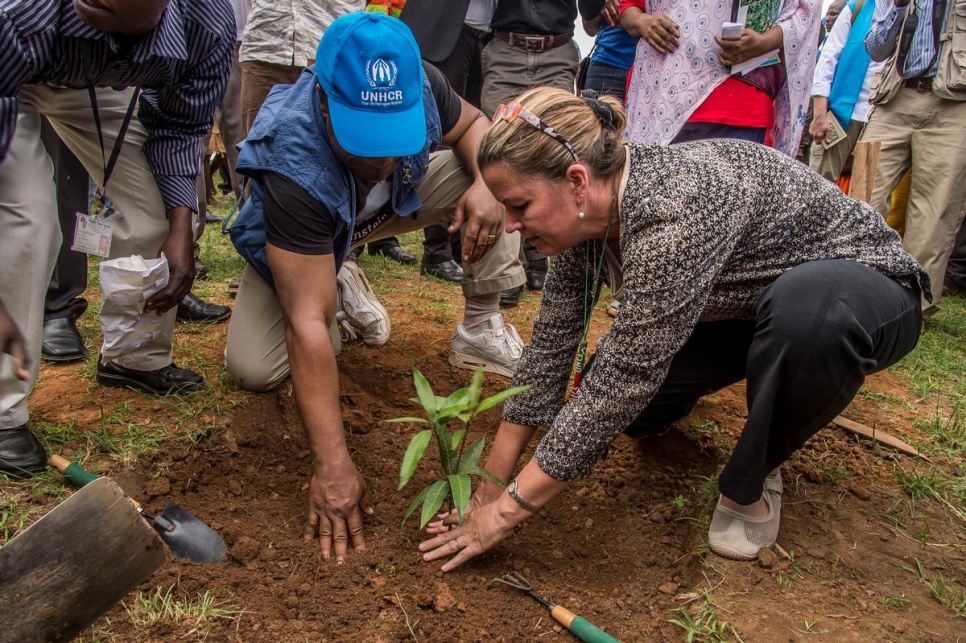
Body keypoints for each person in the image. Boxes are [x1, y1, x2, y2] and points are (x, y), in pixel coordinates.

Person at [418, 88, 926, 570]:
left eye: (519, 206)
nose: (509, 224)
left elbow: (625, 379)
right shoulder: (588, 213)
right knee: (633, 413)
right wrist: (487, 490)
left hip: (862, 291)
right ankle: (769, 366)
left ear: (576, 181)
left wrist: (503, 517)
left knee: (808, 315)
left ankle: (752, 480)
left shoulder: (673, 216)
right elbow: (551, 348)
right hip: (742, 312)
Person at [224, 12, 525, 563]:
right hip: (309, 230)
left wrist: (486, 184)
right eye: (363, 139)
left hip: (383, 210)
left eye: (392, 138)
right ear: (323, 100)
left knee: (503, 173)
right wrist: (333, 466)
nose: (381, 157)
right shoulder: (290, 160)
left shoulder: (422, 83)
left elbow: (476, 126)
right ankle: (332, 273)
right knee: (256, 368)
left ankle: (481, 323)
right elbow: (307, 325)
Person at [0, 0, 234, 478]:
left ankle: (132, 358)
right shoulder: (23, 11)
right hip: (11, 81)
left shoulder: (206, 23)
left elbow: (181, 124)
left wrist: (180, 226)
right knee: (28, 224)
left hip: (106, 82)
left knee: (152, 218)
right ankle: (3, 412)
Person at [862, 0, 966, 309]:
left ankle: (912, 306)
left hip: (955, 106)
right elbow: (876, 49)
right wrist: (898, 6)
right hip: (894, 98)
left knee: (935, 209)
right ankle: (850, 281)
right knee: (862, 190)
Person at [621, 0, 819, 156]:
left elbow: (805, 12)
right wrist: (642, 21)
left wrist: (765, 41)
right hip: (664, 100)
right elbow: (629, 6)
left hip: (742, 107)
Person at [808, 0, 883, 182]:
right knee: (819, 181)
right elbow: (827, 58)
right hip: (841, 114)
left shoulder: (913, 11)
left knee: (866, 189)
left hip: (880, 115)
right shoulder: (858, 7)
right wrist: (819, 115)